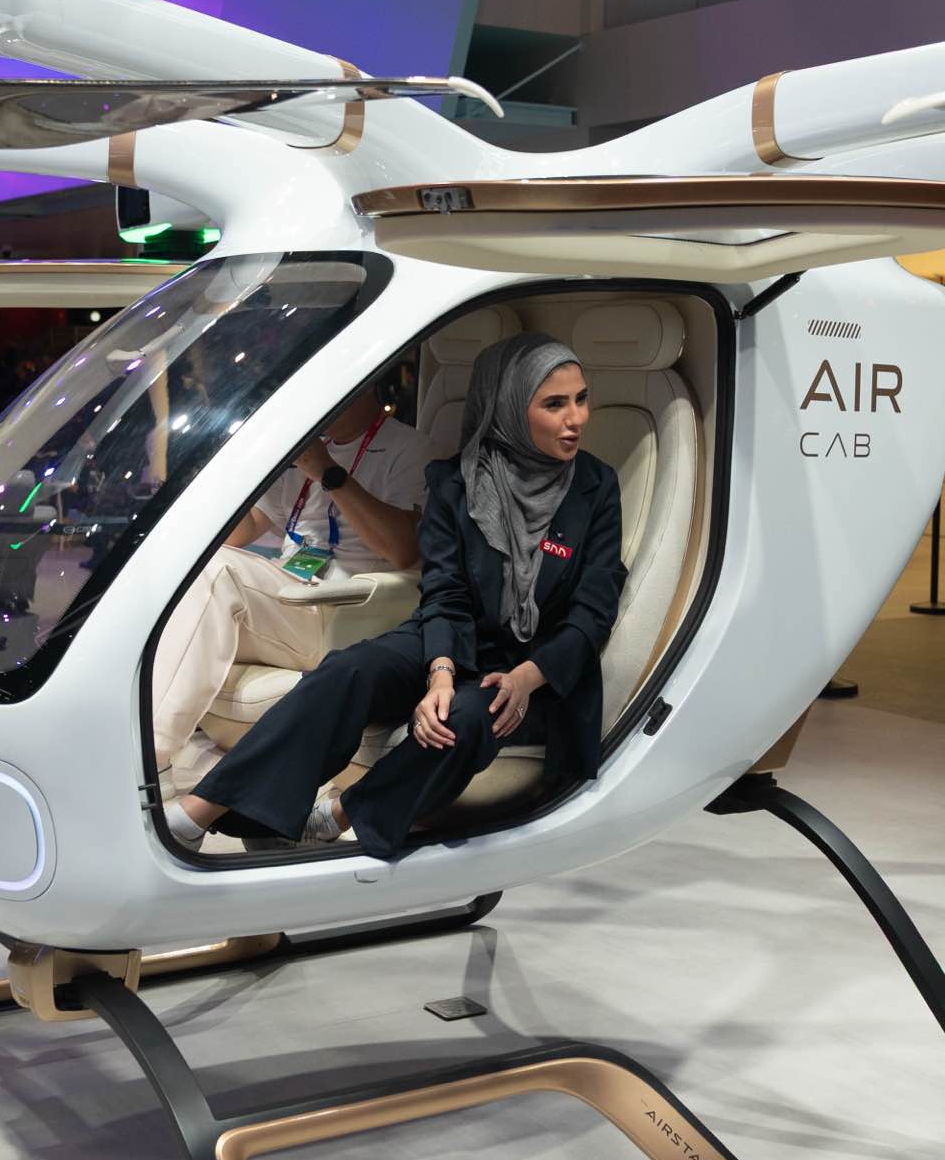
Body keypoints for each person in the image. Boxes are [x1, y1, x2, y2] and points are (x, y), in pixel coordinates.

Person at [163, 335, 622, 857]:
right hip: (451, 638)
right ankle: (201, 812)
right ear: (510, 408)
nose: (576, 418)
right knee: (347, 670)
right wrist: (441, 672)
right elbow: (444, 590)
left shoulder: (596, 488)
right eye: (555, 404)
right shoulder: (455, 481)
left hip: (530, 667)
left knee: (464, 719)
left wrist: (528, 676)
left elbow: (594, 610)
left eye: (581, 398)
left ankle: (336, 813)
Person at [149, 373, 428, 788]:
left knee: (218, 571)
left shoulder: (410, 447)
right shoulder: (308, 452)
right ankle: (160, 746)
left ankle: (149, 754)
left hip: (354, 610)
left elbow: (404, 549)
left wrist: (329, 474)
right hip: (295, 598)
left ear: (365, 383)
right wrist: (237, 466)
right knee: (192, 568)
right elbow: (240, 531)